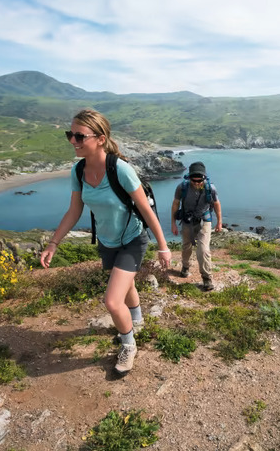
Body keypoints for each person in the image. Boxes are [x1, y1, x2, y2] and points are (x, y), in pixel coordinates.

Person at [40, 109, 172, 376]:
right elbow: (74, 210)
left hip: (133, 239)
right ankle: (136, 319)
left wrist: (163, 246)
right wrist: (54, 243)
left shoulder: (120, 170)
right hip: (107, 241)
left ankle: (129, 345)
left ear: (100, 139)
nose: (73, 141)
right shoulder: (78, 171)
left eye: (79, 136)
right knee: (126, 283)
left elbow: (146, 210)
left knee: (112, 301)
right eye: (70, 135)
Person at [171, 161, 222, 291]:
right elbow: (176, 204)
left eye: (200, 181)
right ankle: (186, 266)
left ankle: (207, 278)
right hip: (187, 220)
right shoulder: (182, 188)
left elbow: (216, 204)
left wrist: (219, 222)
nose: (197, 183)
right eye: (194, 181)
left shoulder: (211, 188)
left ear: (204, 178)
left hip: (204, 220)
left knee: (203, 250)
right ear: (189, 178)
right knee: (186, 247)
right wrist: (173, 224)